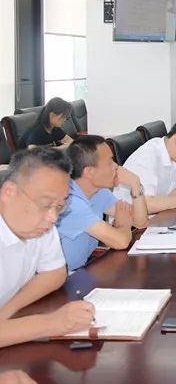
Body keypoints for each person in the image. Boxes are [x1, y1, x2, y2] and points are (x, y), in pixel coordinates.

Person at [0, 148, 95, 348]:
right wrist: (51, 324)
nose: (53, 218)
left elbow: (55, 273)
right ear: (9, 192)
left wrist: (9, 308)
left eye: (59, 207)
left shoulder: (40, 224)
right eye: (45, 204)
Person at [57, 136, 149, 271]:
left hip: (84, 268)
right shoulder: (70, 203)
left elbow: (140, 222)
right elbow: (121, 242)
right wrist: (123, 225)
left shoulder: (98, 191)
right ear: (90, 172)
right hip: (64, 278)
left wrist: (135, 184)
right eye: (110, 162)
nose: (116, 166)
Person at [113, 118, 176, 212]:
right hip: (131, 221)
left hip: (160, 215)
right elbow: (147, 204)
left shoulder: (174, 154)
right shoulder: (147, 157)